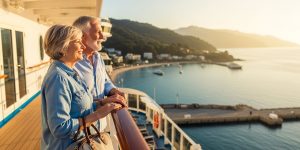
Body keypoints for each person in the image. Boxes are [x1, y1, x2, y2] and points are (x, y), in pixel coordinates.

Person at [41, 25, 121, 149]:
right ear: (64, 46)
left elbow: (78, 107)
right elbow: (59, 128)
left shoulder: (71, 73)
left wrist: (103, 103)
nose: (83, 47)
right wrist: (98, 115)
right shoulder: (58, 78)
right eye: (78, 41)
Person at [73, 16, 126, 132]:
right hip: (82, 131)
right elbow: (73, 102)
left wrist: (113, 91)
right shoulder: (72, 64)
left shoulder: (98, 57)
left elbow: (105, 81)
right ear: (82, 35)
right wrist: (102, 103)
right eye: (98, 32)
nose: (103, 37)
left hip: (101, 127)